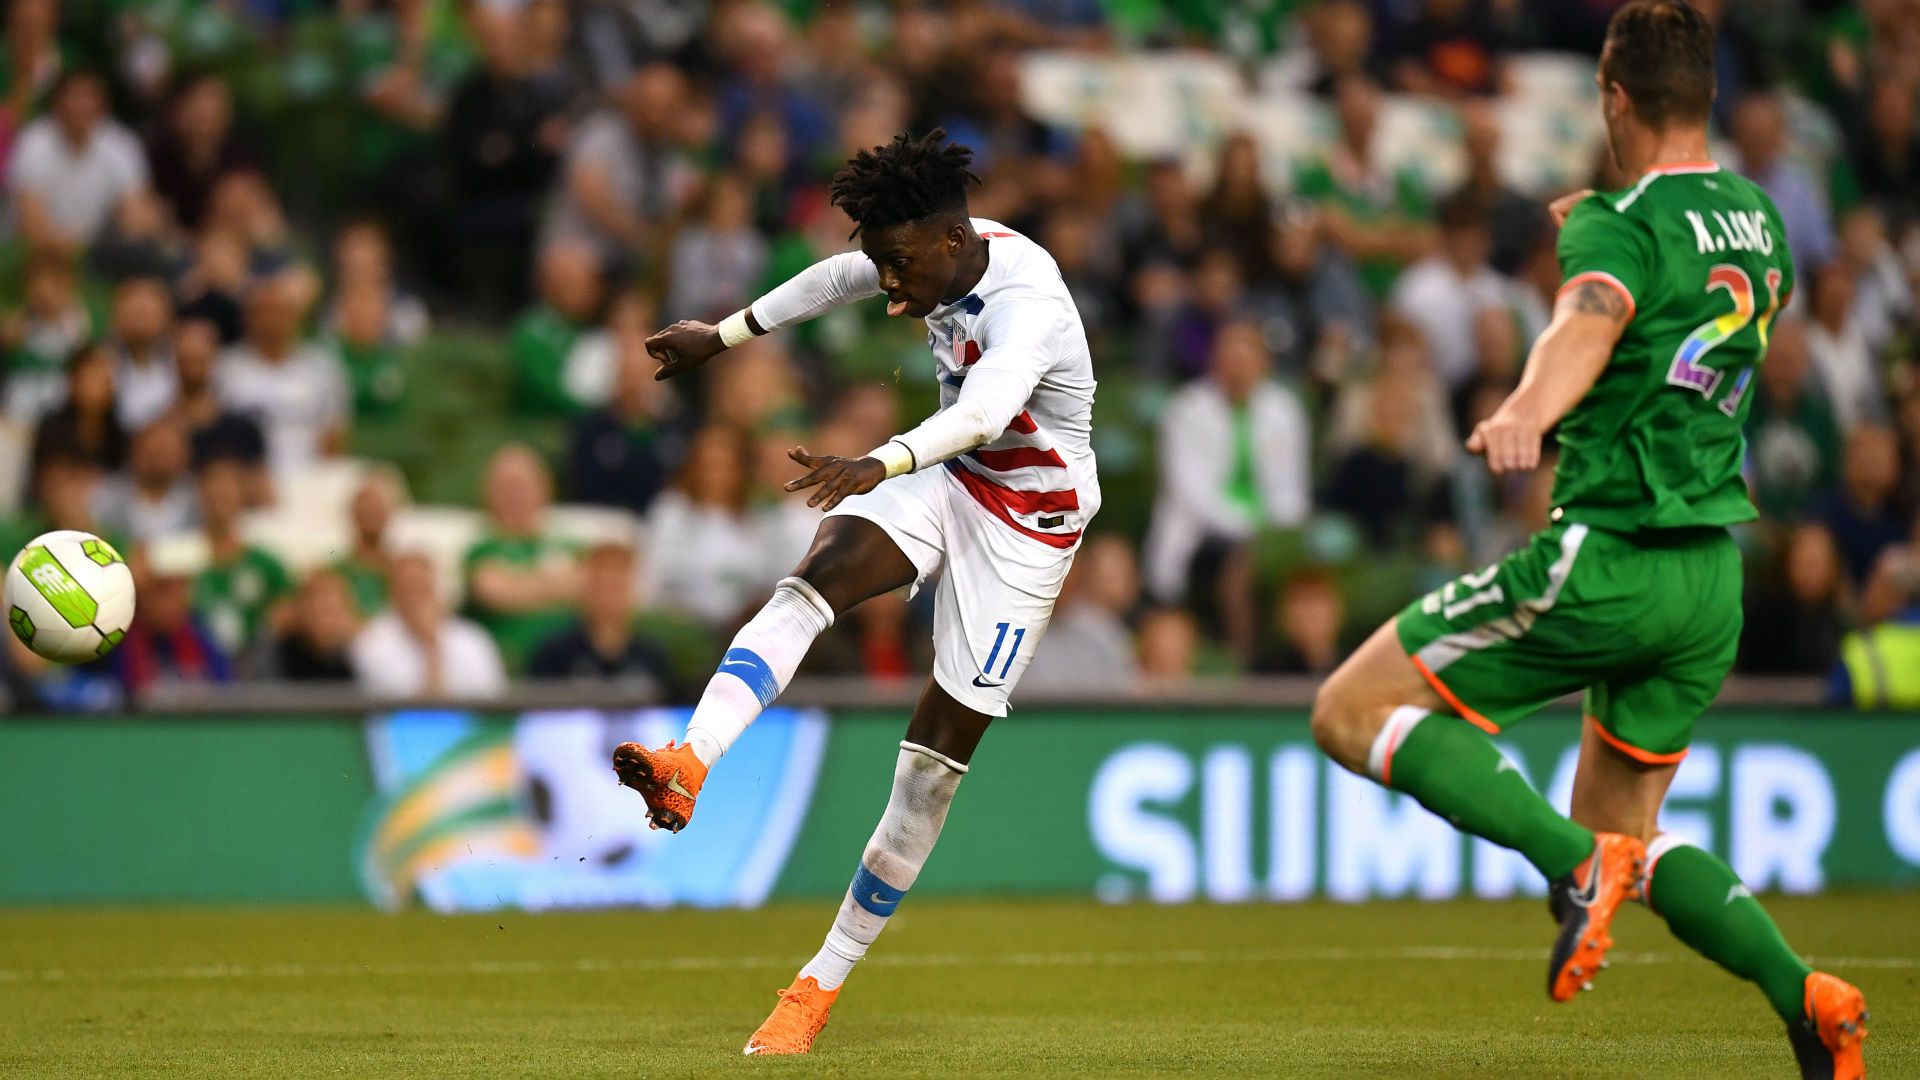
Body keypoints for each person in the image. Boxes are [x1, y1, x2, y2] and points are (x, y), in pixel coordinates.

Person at [1307, 6, 1867, 1078]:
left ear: (1613, 97)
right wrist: (1604, 223)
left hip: (1614, 553)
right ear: (1704, 95)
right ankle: (1810, 996)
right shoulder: (1762, 219)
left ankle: (1570, 873)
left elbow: (1592, 317)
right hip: (1714, 579)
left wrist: (1527, 405)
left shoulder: (1615, 228)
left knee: (1351, 708)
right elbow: (1671, 291)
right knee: (1628, 835)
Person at [615, 130, 1099, 1055]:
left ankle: (818, 984)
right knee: (820, 574)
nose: (886, 285)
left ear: (953, 239)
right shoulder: (936, 254)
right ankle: (692, 758)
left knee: (929, 773)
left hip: (1028, 528)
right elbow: (834, 279)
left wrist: (878, 460)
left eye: (898, 263)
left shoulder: (1027, 300)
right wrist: (721, 338)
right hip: (950, 478)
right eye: (882, 262)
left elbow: (986, 414)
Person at [351, 552, 507, 701]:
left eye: (422, 586)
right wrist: (432, 649)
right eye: (408, 589)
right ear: (392, 593)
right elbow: (411, 713)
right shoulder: (371, 643)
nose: (416, 598)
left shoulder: (473, 639)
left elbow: (495, 705)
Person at [528, 542, 677, 693]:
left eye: (617, 587)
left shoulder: (652, 656)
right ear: (584, 590)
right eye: (600, 587)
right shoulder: (555, 654)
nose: (608, 599)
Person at [1828, 545, 1920, 708]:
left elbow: (1829, 723)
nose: (1867, 594)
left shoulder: (1861, 650)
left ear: (1893, 595)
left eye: (1873, 584)